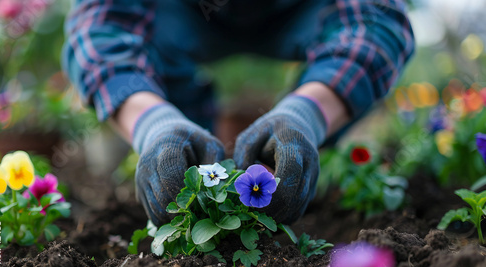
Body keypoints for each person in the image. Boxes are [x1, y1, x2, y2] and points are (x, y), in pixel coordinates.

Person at [62, 0, 414, 226]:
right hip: (183, 12)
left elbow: (378, 19)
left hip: (302, 10)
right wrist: (154, 123)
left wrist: (305, 114)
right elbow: (99, 29)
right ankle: (185, 147)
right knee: (180, 171)